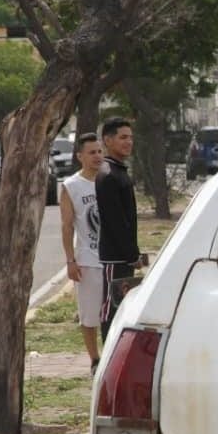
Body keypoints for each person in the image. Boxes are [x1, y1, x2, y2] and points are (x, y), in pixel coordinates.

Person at [59, 133, 104, 375]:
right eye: (91, 152)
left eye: (99, 151)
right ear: (80, 156)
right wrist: (70, 260)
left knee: (115, 311)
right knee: (89, 314)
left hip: (113, 259)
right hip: (87, 259)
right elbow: (66, 226)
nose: (97, 156)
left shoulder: (110, 178)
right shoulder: (71, 186)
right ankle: (95, 358)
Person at [95, 118, 141, 342]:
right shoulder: (108, 175)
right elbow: (115, 222)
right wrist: (131, 254)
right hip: (114, 257)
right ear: (108, 140)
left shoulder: (119, 170)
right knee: (111, 307)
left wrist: (133, 253)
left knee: (123, 306)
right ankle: (106, 356)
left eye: (131, 137)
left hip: (124, 257)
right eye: (123, 137)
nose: (128, 142)